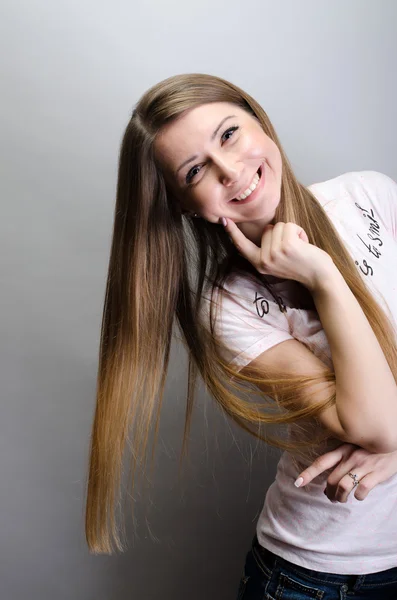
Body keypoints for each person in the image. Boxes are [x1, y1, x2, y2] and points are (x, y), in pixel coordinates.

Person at [85, 73, 397, 598]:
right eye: (195, 170)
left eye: (228, 134)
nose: (230, 172)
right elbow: (375, 427)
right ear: (185, 206)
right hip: (320, 580)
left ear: (259, 121)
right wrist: (322, 275)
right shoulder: (224, 307)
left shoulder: (370, 194)